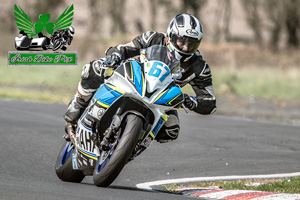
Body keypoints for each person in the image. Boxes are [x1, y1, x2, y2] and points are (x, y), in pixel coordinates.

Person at [64, 14, 216, 143]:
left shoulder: (199, 66)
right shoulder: (153, 38)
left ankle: (131, 145)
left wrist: (191, 101)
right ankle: (76, 108)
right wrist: (115, 55)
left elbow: (210, 102)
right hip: (131, 78)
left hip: (160, 99)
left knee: (172, 129)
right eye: (182, 41)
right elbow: (123, 49)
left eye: (192, 44)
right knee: (95, 67)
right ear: (171, 35)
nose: (185, 48)